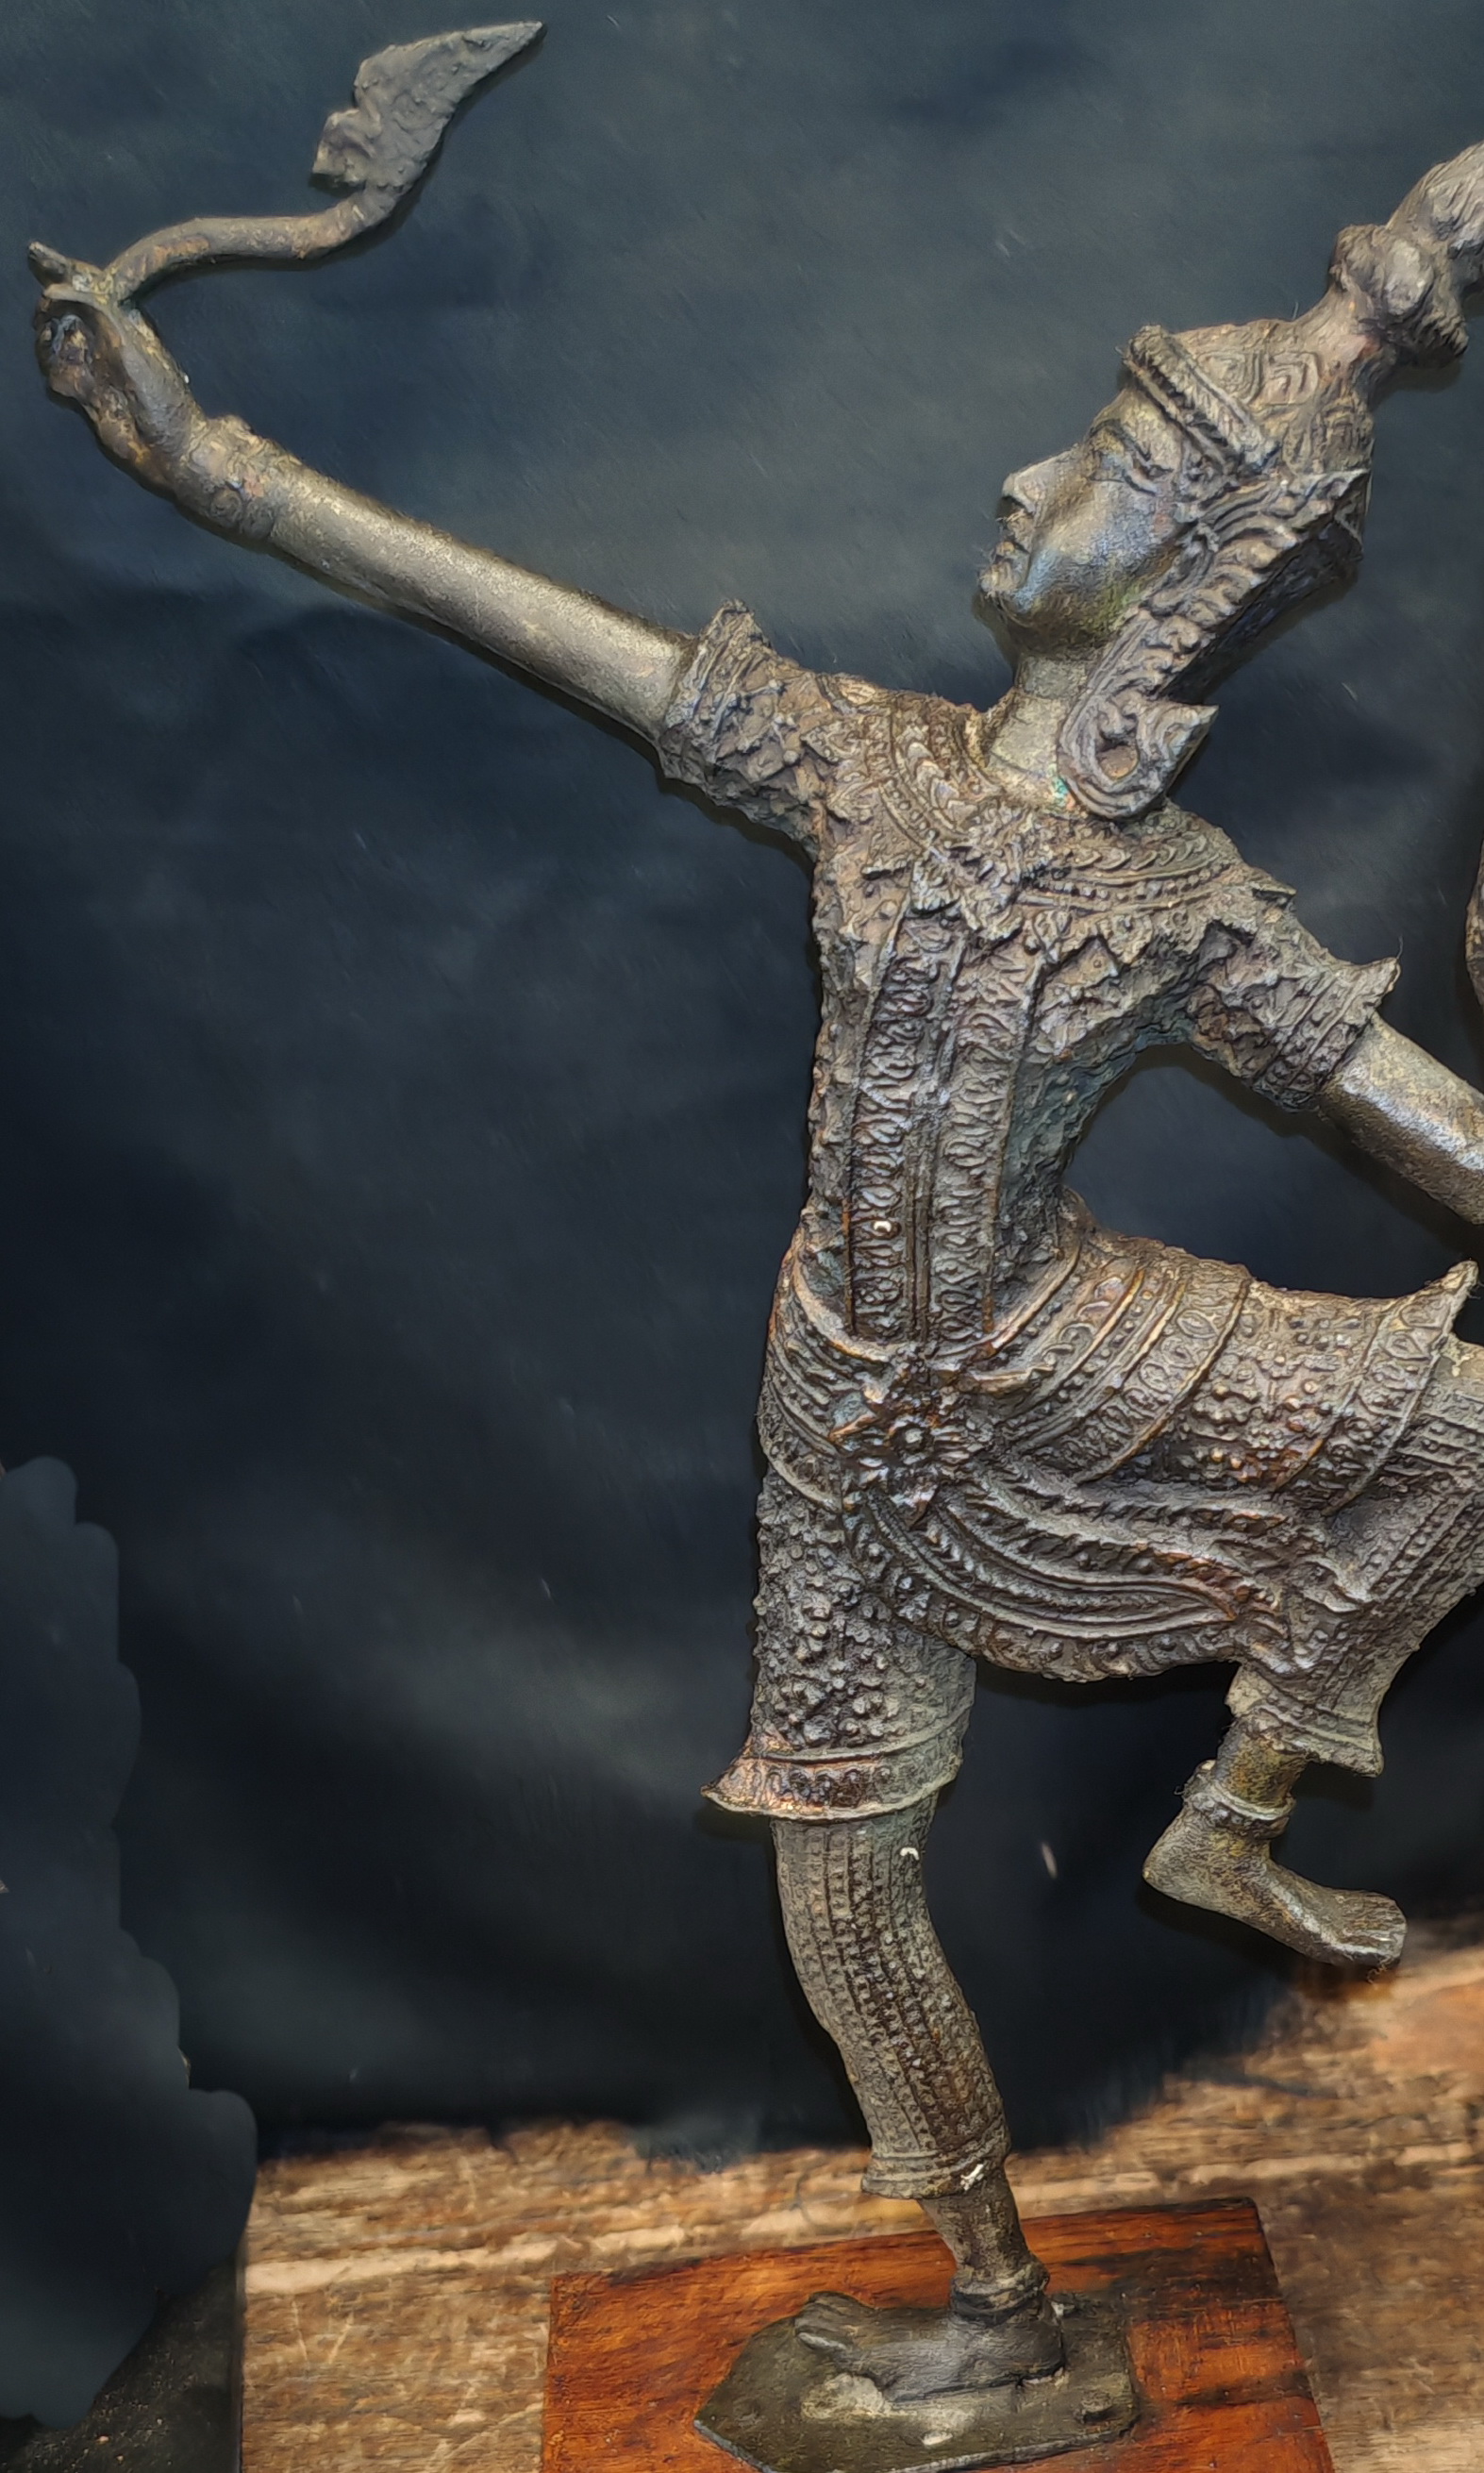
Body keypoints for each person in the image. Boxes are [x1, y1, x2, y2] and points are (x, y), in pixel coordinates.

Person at [32, 109, 1484, 2404]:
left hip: (1057, 1353)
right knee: (844, 1887)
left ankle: (1245, 1797)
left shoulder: (1189, 912)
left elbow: (1443, 1142)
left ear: (1198, 567)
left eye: (1100, 464)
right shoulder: (864, 763)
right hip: (841, 1413)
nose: (1020, 480)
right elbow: (537, 629)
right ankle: (998, 2314)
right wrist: (226, 471)